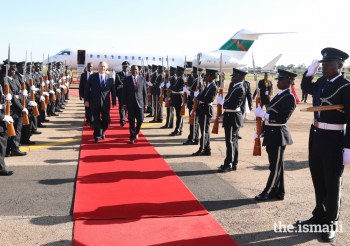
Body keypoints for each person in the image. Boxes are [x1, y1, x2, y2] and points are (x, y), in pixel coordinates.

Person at [297, 47, 350, 242]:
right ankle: (319, 215)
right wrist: (308, 73)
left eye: (329, 63)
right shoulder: (321, 82)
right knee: (318, 178)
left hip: (334, 138)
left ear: (340, 65)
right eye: (323, 63)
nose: (325, 66)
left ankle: (331, 222)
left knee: (332, 182)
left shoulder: (346, 86)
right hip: (317, 134)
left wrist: (348, 147)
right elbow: (306, 88)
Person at [254, 69, 296, 201]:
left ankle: (268, 191)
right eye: (278, 79)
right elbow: (270, 114)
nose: (278, 81)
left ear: (289, 81)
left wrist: (264, 115)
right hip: (271, 134)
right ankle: (279, 192)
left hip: (278, 135)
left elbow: (282, 118)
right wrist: (261, 130)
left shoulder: (289, 97)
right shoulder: (279, 95)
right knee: (277, 165)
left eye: (282, 79)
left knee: (275, 167)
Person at [217, 68, 246, 172]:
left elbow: (234, 105)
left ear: (240, 77)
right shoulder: (234, 86)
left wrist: (222, 103)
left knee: (230, 141)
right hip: (230, 115)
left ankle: (230, 163)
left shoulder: (240, 88)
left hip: (233, 116)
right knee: (232, 141)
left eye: (234, 76)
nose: (232, 78)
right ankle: (231, 162)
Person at [84, 61, 116, 143]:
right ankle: (97, 135)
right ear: (98, 67)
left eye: (104, 67)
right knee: (96, 120)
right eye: (101, 66)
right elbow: (87, 89)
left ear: (106, 68)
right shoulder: (92, 77)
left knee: (106, 120)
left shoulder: (110, 77)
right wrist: (86, 100)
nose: (103, 68)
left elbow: (113, 90)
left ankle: (101, 131)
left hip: (106, 103)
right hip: (94, 102)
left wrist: (114, 101)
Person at [192, 69, 218, 156]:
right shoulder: (208, 85)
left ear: (211, 76)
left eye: (207, 75)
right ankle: (207, 149)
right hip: (202, 108)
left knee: (204, 130)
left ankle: (202, 148)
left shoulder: (214, 87)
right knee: (204, 130)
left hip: (206, 109)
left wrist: (198, 96)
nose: (205, 77)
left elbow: (209, 99)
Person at [122, 65, 147, 144]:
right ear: (131, 70)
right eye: (132, 69)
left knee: (141, 120)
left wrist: (145, 104)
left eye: (136, 69)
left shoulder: (142, 79)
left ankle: (136, 132)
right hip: (130, 104)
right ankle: (132, 137)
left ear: (138, 70)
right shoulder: (126, 80)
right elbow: (124, 93)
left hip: (140, 103)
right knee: (131, 121)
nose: (134, 71)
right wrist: (124, 104)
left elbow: (144, 93)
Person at [183, 66, 203, 145]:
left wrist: (187, 91)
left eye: (194, 72)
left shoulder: (199, 81)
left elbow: (196, 94)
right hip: (192, 103)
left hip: (195, 104)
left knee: (193, 122)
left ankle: (193, 138)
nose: (193, 74)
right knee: (193, 121)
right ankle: (194, 137)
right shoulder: (196, 80)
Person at [169, 66, 185, 136]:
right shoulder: (178, 78)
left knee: (179, 115)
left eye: (178, 71)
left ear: (182, 72)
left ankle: (178, 129)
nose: (177, 72)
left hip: (179, 98)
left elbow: (176, 88)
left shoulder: (181, 79)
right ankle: (178, 129)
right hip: (176, 97)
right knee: (178, 114)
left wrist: (169, 86)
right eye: (177, 71)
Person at [115, 61, 129, 126]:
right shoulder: (118, 74)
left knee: (127, 107)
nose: (125, 68)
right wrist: (116, 94)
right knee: (121, 107)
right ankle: (122, 120)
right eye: (124, 67)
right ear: (122, 67)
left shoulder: (130, 75)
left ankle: (124, 117)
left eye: (127, 67)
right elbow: (116, 85)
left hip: (129, 94)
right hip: (121, 94)